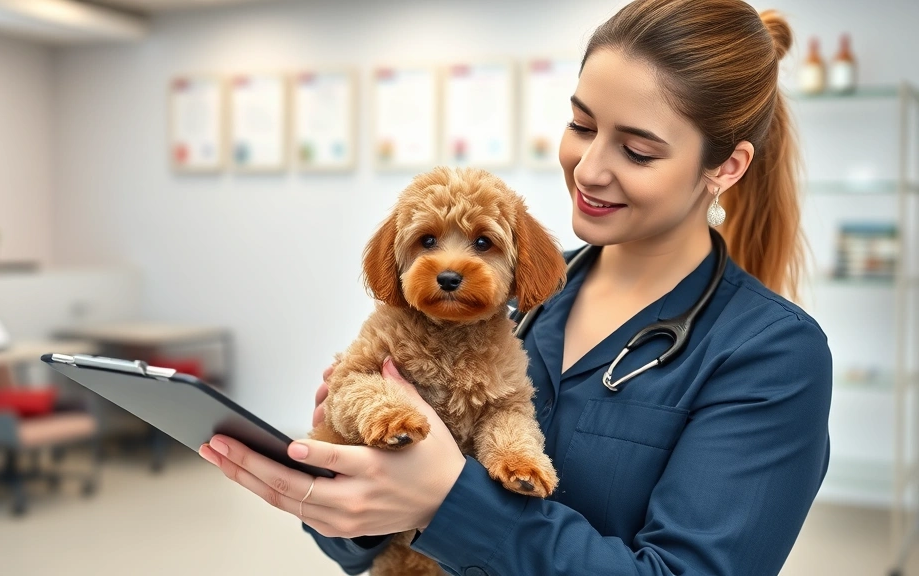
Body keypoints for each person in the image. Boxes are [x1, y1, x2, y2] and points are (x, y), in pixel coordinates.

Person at [196, 0, 833, 573]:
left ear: (726, 166)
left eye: (637, 151)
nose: (588, 168)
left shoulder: (772, 356)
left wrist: (445, 498)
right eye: (582, 126)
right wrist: (347, 474)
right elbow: (355, 542)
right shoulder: (516, 293)